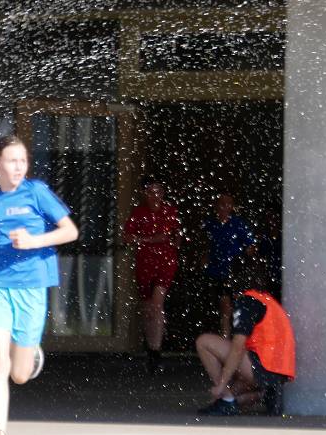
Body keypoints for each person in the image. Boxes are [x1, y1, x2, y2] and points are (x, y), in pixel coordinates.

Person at [0, 135, 79, 435]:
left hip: (32, 287)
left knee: (19, 375)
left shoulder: (37, 192)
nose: (19, 167)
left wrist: (34, 241)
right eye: (12, 161)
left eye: (23, 161)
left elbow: (70, 231)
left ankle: (30, 353)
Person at [195, 286, 295, 416]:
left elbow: (238, 346)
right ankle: (261, 395)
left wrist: (222, 385)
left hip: (263, 368)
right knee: (232, 393)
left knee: (203, 341)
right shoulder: (266, 300)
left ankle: (227, 400)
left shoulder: (246, 301)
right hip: (276, 375)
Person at [122, 178, 181, 373]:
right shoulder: (138, 213)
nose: (156, 195)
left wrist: (171, 241)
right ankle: (152, 348)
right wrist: (148, 239)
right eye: (151, 191)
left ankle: (156, 349)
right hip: (145, 263)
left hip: (165, 261)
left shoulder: (170, 211)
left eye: (159, 191)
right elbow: (127, 237)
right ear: (144, 193)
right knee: (148, 309)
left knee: (157, 303)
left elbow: (175, 235)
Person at [202, 193, 257, 338]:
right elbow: (205, 245)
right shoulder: (210, 224)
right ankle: (224, 338)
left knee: (228, 306)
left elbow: (250, 246)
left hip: (233, 271)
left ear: (232, 206)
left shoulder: (238, 224)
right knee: (221, 307)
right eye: (221, 203)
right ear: (216, 206)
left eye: (228, 204)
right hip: (215, 271)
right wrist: (204, 259)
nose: (225, 207)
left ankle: (229, 338)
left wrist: (246, 256)